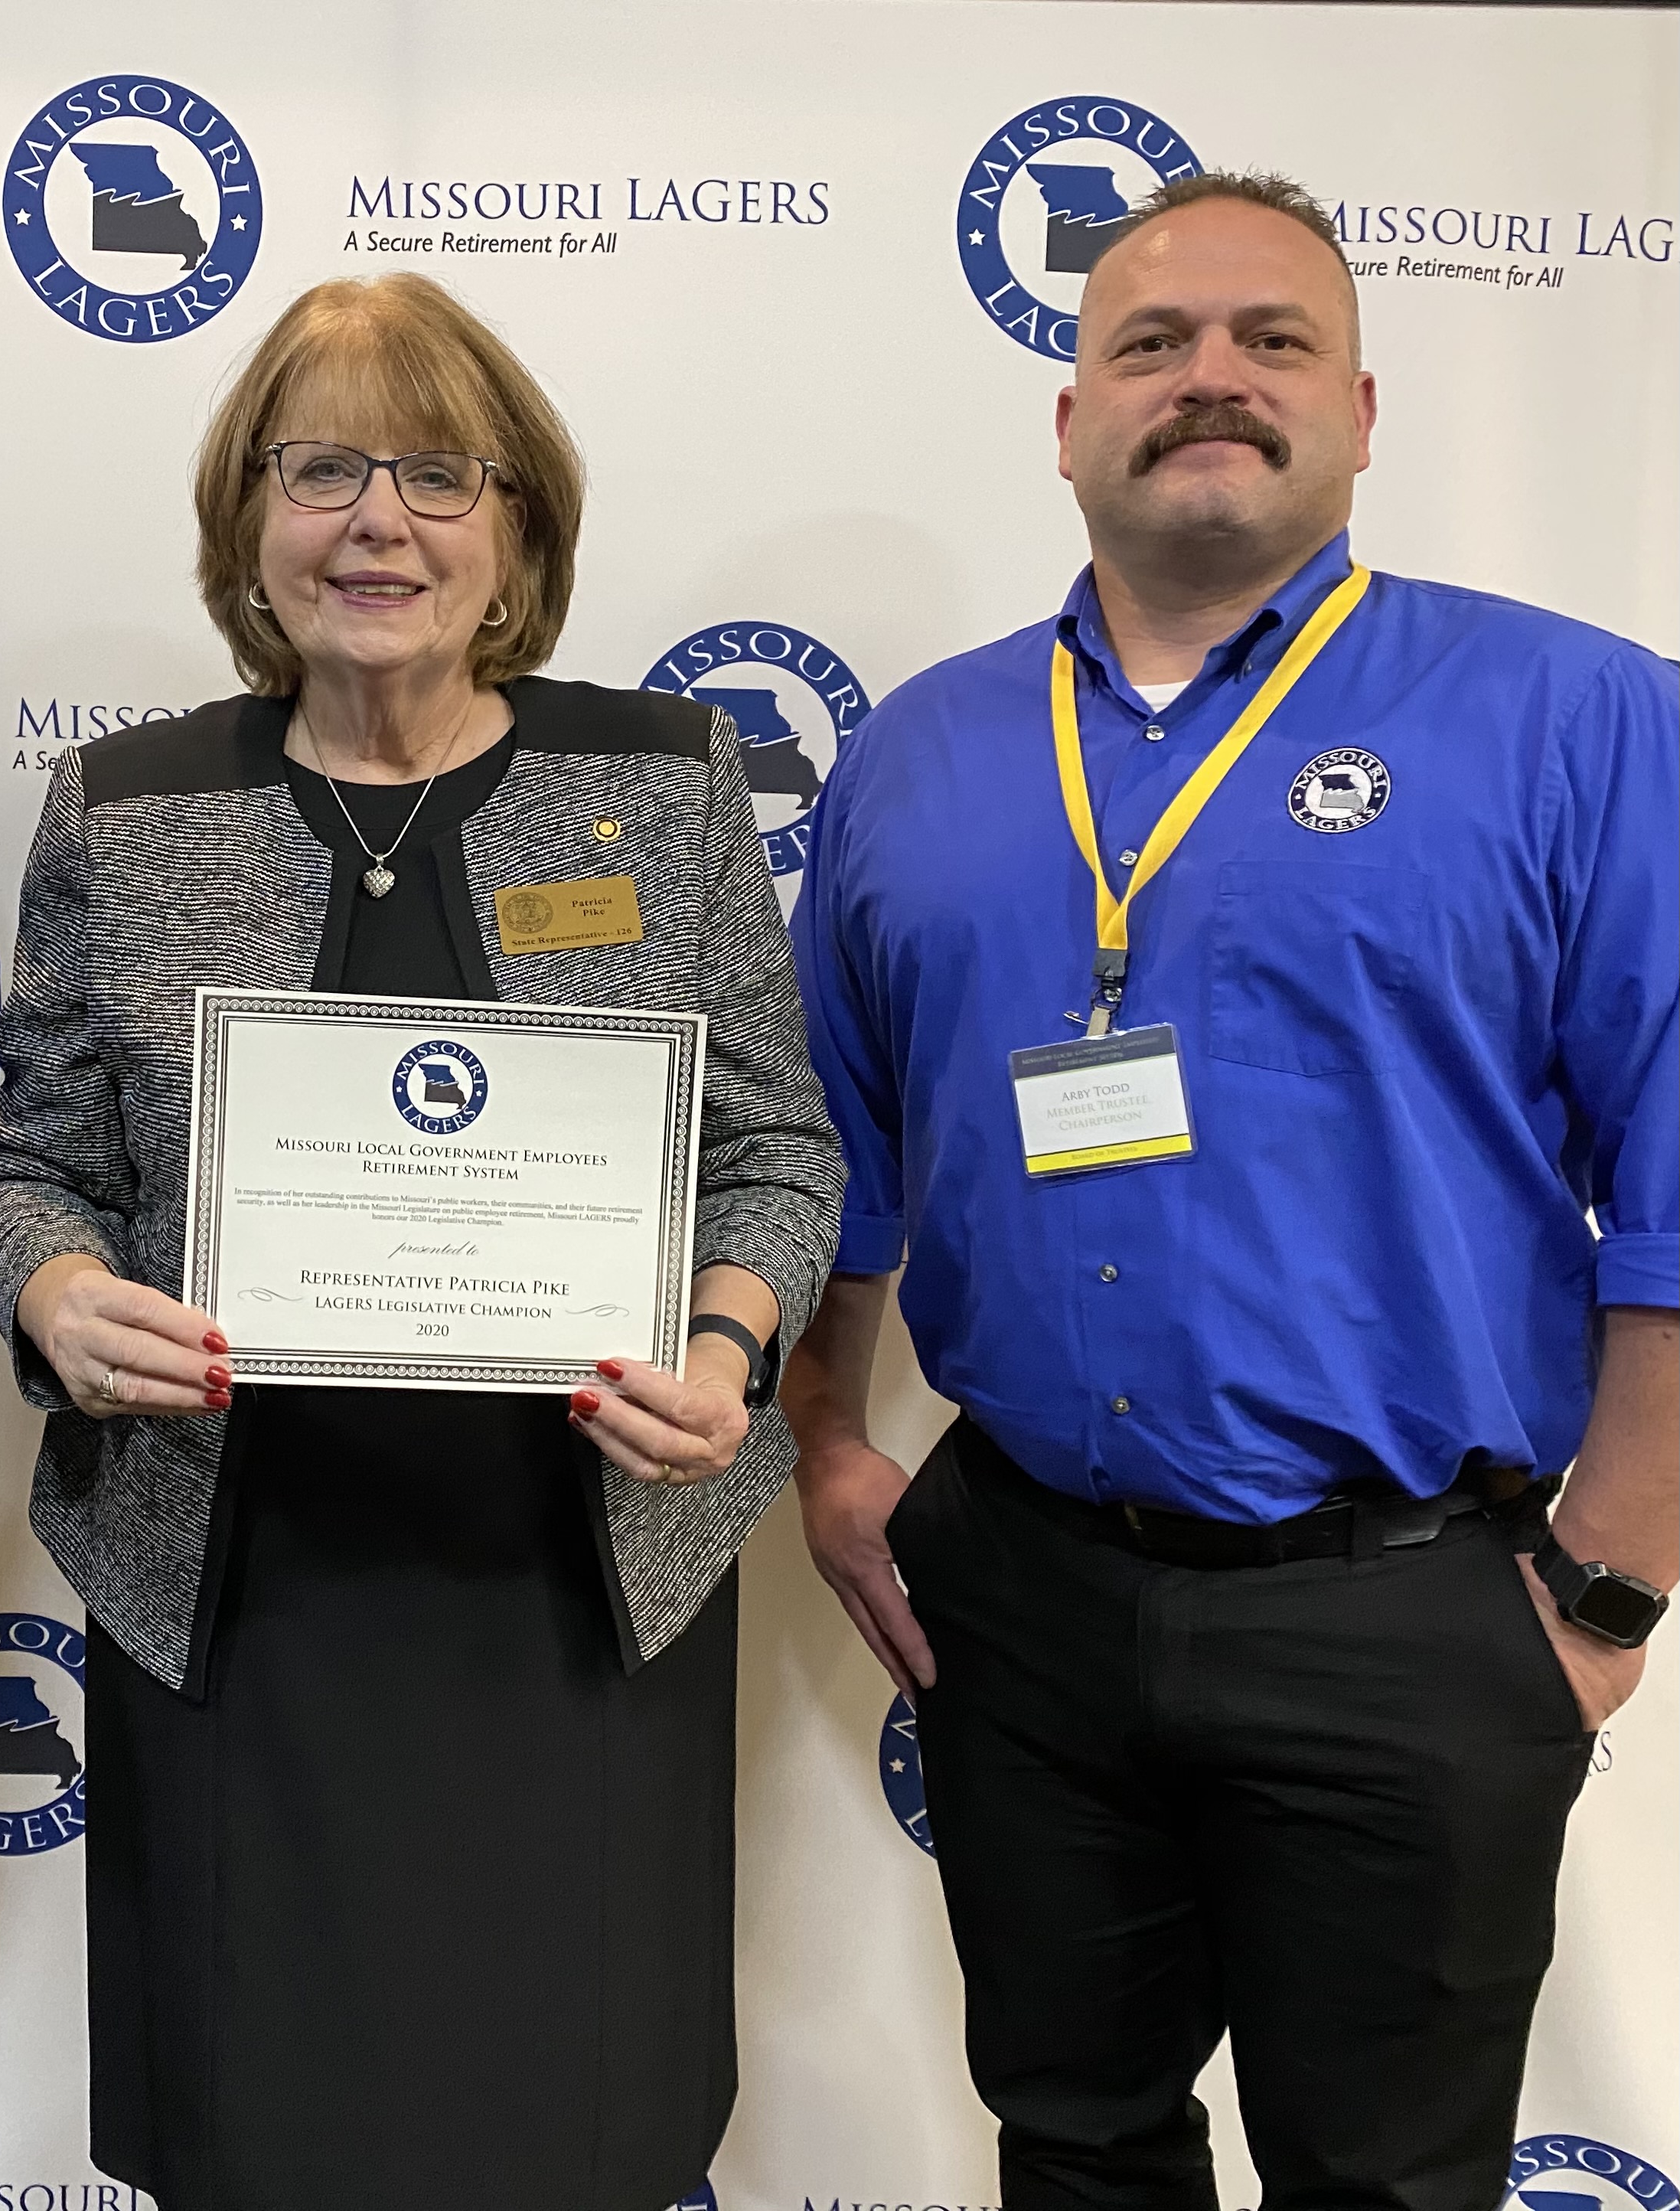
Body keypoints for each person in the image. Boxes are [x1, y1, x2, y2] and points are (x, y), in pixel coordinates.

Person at [785, 171, 1675, 2211]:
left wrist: (1605, 1586)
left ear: (1361, 409)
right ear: (1069, 416)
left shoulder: (1584, 720)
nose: (1211, 380)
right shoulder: (917, 757)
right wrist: (830, 1443)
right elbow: (820, 1155)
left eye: (1271, 341)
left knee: (1390, 2178)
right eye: (1150, 343)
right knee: (1076, 2143)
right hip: (1016, 1596)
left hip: (1410, 1606)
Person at [0, 272, 843, 2211]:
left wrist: (725, 1344)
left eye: (442, 474)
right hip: (242, 1595)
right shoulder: (125, 806)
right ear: (247, 521)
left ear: (518, 528)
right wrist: (55, 1293)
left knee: (571, 2124)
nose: (382, 521)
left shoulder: (666, 778)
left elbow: (773, 1139)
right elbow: (33, 1156)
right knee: (257, 2126)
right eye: (325, 468)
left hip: (573, 1597)